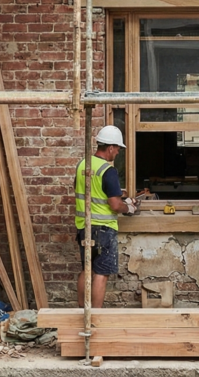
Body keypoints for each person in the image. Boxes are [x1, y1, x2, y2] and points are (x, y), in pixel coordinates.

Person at [75, 124, 138, 308]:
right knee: (101, 273)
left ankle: (81, 311)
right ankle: (96, 315)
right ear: (110, 147)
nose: (118, 153)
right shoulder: (108, 170)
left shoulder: (82, 165)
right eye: (117, 149)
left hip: (83, 226)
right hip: (103, 229)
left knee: (87, 269)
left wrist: (120, 195)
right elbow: (114, 204)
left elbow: (90, 193)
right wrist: (129, 208)